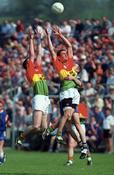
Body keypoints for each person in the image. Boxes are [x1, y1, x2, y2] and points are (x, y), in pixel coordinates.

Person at [45, 26, 88, 159]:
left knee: (76, 121)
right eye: (62, 53)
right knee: (69, 117)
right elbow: (52, 50)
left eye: (65, 53)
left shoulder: (70, 62)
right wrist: (48, 37)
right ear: (58, 56)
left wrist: (60, 35)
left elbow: (69, 45)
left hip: (74, 93)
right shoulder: (57, 63)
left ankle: (84, 145)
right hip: (65, 92)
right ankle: (57, 134)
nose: (65, 54)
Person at [17, 27, 50, 145]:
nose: (32, 60)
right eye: (29, 61)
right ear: (27, 64)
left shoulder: (38, 68)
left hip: (46, 97)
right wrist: (31, 39)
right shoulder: (30, 71)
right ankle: (22, 136)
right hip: (39, 97)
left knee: (43, 128)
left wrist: (40, 39)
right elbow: (32, 54)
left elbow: (39, 53)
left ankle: (31, 139)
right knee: (36, 126)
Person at [65, 99, 92, 166]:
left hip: (81, 126)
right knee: (70, 144)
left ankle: (89, 158)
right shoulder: (70, 106)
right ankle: (70, 160)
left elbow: (85, 117)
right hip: (73, 126)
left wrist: (76, 116)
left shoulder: (81, 106)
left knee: (83, 143)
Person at [0, 99, 11, 165]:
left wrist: (8, 124)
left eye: (0, 106)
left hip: (1, 131)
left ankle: (2, 158)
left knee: (0, 146)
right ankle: (2, 157)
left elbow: (8, 123)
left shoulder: (4, 114)